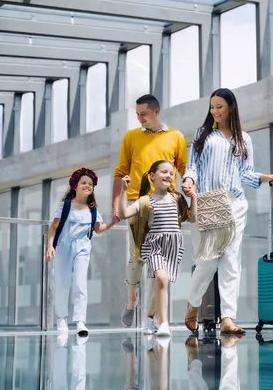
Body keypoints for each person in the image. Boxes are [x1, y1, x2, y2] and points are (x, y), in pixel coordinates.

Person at [181, 88, 273, 335]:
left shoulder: (243, 139)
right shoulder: (202, 135)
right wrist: (189, 182)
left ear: (230, 108)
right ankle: (193, 303)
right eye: (212, 106)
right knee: (206, 261)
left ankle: (228, 318)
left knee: (231, 261)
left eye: (219, 107)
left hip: (235, 204)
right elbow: (193, 166)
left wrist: (264, 177)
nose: (214, 111)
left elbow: (245, 172)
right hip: (208, 202)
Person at [112, 94, 188, 328]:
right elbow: (120, 171)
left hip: (168, 203)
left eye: (143, 113)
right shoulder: (131, 137)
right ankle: (132, 300)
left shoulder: (176, 137)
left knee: (162, 263)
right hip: (139, 202)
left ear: (156, 111)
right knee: (136, 259)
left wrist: (190, 192)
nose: (139, 118)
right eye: (137, 114)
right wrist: (116, 205)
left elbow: (185, 170)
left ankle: (153, 313)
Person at [119, 160, 196, 336]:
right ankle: (163, 324)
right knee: (161, 278)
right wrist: (123, 191)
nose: (168, 175)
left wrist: (194, 197)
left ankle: (149, 318)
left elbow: (191, 218)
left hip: (173, 245)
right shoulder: (145, 201)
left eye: (171, 173)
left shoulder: (177, 198)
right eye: (164, 172)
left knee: (160, 282)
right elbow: (124, 214)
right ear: (152, 176)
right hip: (154, 245)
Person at [46, 167, 115, 336]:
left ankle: (80, 321)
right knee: (62, 283)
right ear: (75, 186)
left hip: (83, 249)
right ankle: (61, 319)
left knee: (80, 283)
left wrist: (113, 222)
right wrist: (50, 246)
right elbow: (53, 227)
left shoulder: (93, 210)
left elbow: (98, 229)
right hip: (63, 248)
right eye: (84, 182)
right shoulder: (66, 206)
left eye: (90, 184)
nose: (87, 185)